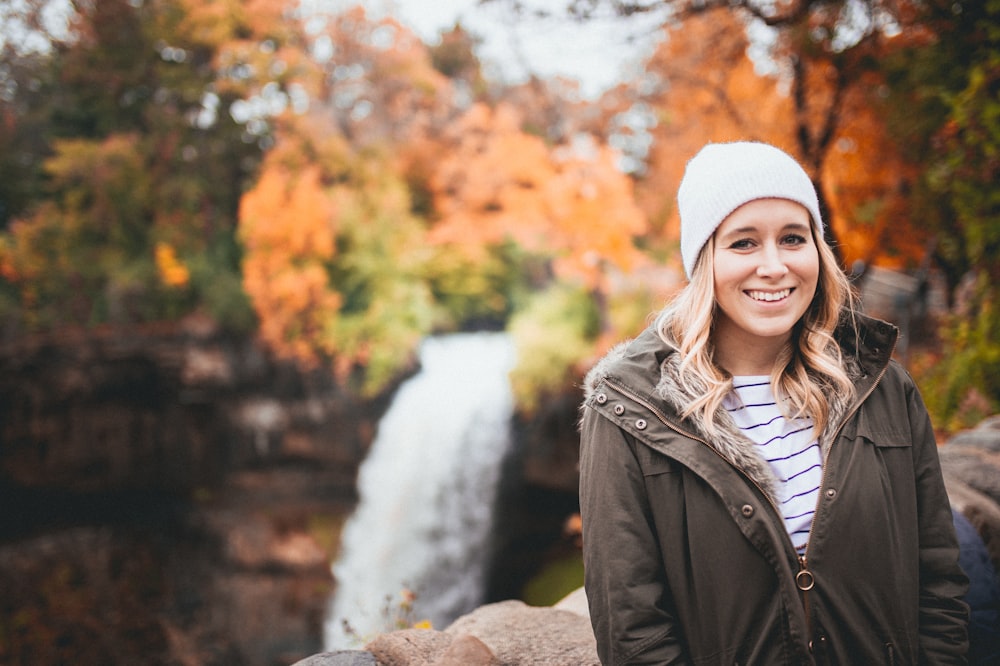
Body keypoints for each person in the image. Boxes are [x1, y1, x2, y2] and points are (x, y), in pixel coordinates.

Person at [578, 141, 970, 664]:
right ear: (704, 262)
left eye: (793, 238)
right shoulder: (631, 412)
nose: (774, 266)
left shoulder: (884, 389)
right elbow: (632, 627)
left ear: (818, 249)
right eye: (743, 243)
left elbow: (938, 578)